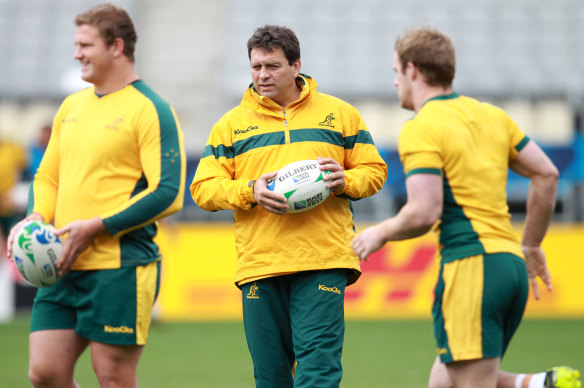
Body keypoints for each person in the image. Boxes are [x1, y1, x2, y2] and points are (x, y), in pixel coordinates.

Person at [351, 27, 581, 388]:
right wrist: (532, 244)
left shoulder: (422, 127)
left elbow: (424, 212)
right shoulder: (491, 115)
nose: (395, 82)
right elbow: (547, 173)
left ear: (412, 70)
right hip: (509, 267)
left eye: (395, 72)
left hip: (472, 267)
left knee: (471, 382)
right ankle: (540, 384)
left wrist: (379, 232)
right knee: (445, 382)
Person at [190, 25, 387, 388]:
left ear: (296, 66)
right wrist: (250, 191)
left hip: (323, 259)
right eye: (256, 67)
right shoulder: (230, 127)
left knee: (318, 371)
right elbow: (202, 189)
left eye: (273, 66)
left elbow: (374, 171)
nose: (262, 75)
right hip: (261, 263)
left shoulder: (341, 115)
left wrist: (347, 181)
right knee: (271, 378)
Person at [6, 3, 186, 388]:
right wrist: (36, 216)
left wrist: (97, 227)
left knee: (113, 379)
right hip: (61, 265)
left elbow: (168, 193)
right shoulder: (71, 106)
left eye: (85, 44)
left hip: (119, 267)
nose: (76, 54)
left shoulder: (152, 110)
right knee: (45, 374)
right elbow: (47, 176)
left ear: (116, 46)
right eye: (76, 44)